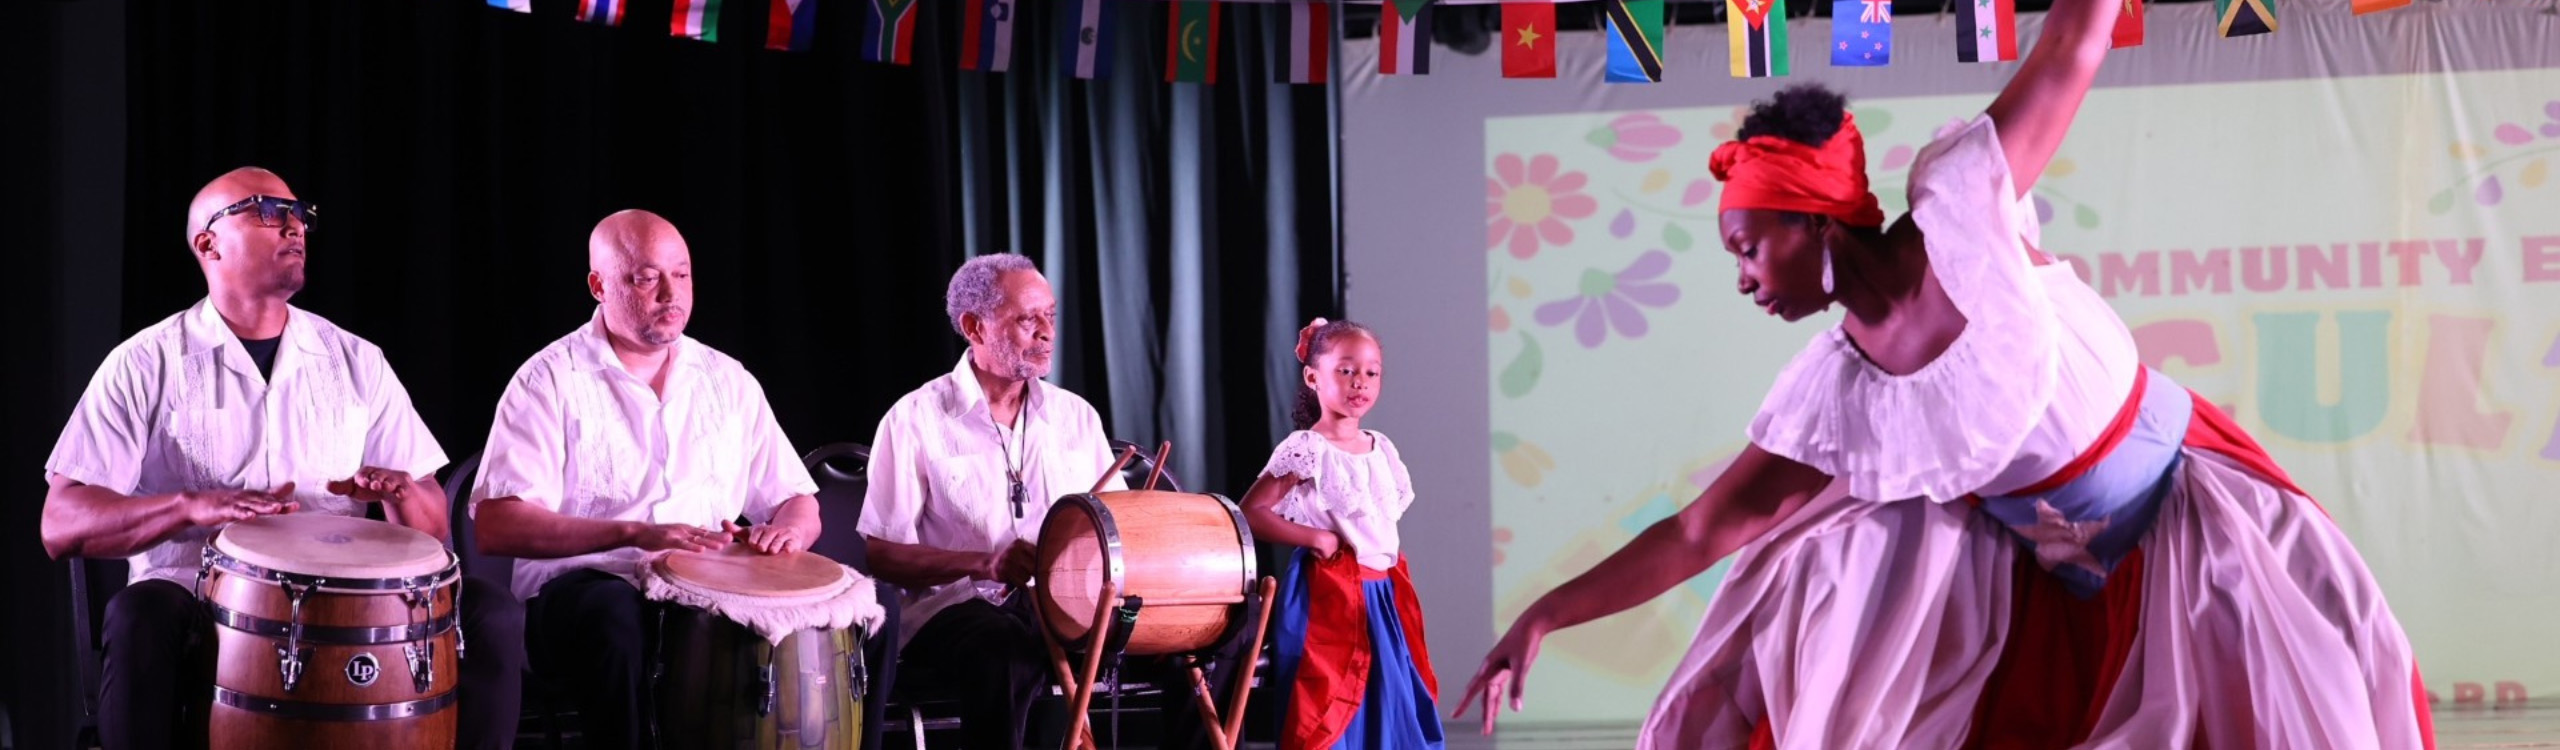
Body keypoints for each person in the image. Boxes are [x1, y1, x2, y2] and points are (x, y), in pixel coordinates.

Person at [1454, 0, 2437, 745]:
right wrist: (1547, 611)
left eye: (1749, 247)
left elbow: (2071, 46)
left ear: (1813, 220)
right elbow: (1704, 529)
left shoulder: (1964, 206)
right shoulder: (1837, 390)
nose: (1743, 277)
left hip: (2193, 522)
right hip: (2060, 587)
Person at [38, 167, 526, 750]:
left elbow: (432, 535)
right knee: (137, 616)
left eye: (299, 214)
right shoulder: (143, 363)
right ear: (208, 243)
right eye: (266, 211)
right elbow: (60, 523)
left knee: (491, 612)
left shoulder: (356, 359)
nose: (294, 226)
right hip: (199, 598)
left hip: (350, 604)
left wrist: (399, 493)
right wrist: (190, 506)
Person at [470, 209, 827, 749]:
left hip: (708, 588)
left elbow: (797, 498)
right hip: (584, 592)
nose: (670, 293)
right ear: (599, 285)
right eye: (645, 277)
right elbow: (498, 526)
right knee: (616, 617)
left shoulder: (728, 380)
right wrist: (634, 533)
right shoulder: (548, 379)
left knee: (856, 611)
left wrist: (790, 532)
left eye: (681, 275)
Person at [862, 253, 1246, 750]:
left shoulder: (1074, 416)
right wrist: (985, 563)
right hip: (959, 608)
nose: (1046, 331)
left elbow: (1119, 535)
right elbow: (882, 554)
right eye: (1027, 318)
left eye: (1051, 315)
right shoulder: (914, 419)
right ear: (974, 327)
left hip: (1072, 604)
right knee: (1004, 653)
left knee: (1208, 633)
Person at [1243, 318, 1446, 750]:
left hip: (1383, 594)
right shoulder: (1308, 448)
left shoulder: (1381, 446)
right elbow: (1252, 512)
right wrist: (1316, 538)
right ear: (1313, 377)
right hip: (1330, 592)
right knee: (1333, 706)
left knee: (1391, 699)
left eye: (1372, 372)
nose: (1361, 382)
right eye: (1347, 370)